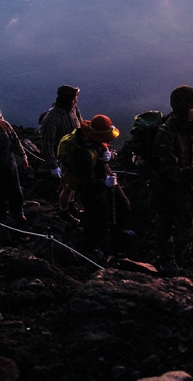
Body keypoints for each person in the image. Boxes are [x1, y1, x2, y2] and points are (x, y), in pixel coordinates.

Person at [150, 85, 193, 276]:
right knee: (168, 223)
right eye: (192, 106)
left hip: (189, 185)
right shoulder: (166, 133)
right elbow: (168, 173)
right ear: (181, 107)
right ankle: (168, 260)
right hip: (168, 190)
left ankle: (190, 256)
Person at [58, 114, 120, 259]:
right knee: (95, 215)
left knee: (106, 209)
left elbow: (101, 144)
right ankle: (89, 247)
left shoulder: (91, 140)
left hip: (97, 178)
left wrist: (106, 152)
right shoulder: (81, 152)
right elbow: (86, 182)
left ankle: (106, 234)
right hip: (89, 187)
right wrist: (105, 183)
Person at [40, 85, 83, 225]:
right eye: (74, 99)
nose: (76, 101)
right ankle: (64, 211)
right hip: (62, 157)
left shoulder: (73, 109)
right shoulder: (52, 118)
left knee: (74, 183)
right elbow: (47, 143)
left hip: (75, 153)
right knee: (67, 187)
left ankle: (71, 205)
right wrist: (53, 165)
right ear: (67, 99)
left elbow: (80, 125)